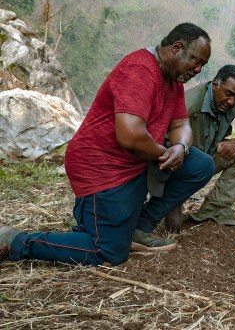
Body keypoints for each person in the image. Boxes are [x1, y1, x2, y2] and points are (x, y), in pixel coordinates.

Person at [0, 23, 214, 266]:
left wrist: (181, 148)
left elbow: (180, 125)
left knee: (200, 165)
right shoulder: (140, 70)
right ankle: (15, 241)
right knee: (107, 252)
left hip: (136, 163)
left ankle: (139, 228)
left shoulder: (173, 81)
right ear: (177, 48)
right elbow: (131, 137)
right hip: (101, 166)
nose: (198, 69)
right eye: (196, 61)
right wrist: (165, 152)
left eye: (202, 66)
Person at [163, 65, 235, 231]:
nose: (232, 101)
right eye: (228, 94)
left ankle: (213, 209)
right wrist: (173, 202)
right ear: (215, 85)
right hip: (180, 166)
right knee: (172, 223)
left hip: (206, 160)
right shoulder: (189, 104)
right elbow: (163, 150)